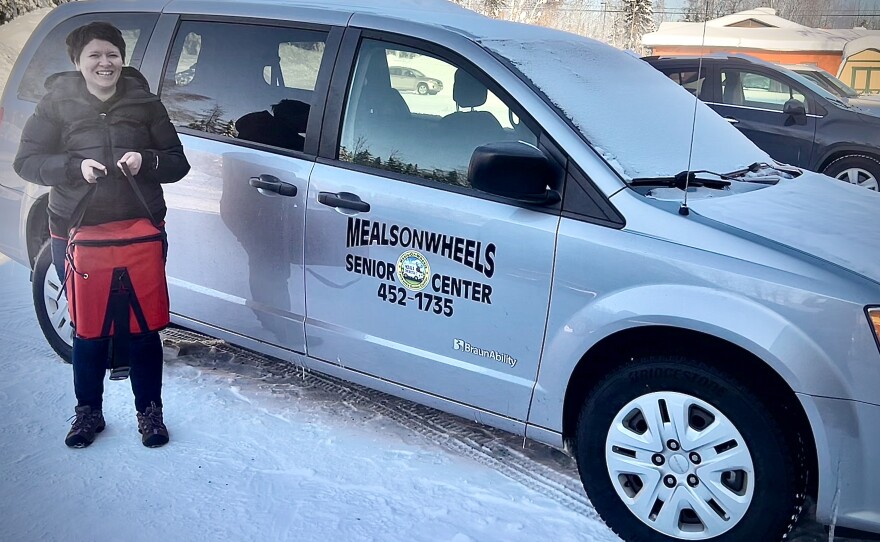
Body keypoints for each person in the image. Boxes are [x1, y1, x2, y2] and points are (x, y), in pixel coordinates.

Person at [13, 22, 190, 448]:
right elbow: (26, 162)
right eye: (94, 55)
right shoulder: (56, 105)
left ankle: (150, 413)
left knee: (145, 327)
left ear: (122, 58)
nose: (104, 63)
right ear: (78, 62)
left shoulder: (146, 104)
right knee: (87, 327)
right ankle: (88, 413)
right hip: (74, 231)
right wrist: (75, 168)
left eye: (111, 54)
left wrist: (145, 160)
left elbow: (177, 163)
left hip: (140, 231)